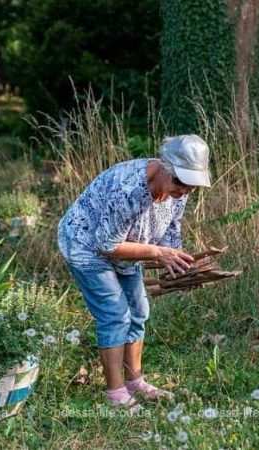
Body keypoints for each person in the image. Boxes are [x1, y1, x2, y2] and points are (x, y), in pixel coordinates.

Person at [58, 135, 212, 408]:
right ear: (165, 167)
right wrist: (157, 253)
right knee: (115, 313)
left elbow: (171, 231)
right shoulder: (128, 188)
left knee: (139, 311)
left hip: (127, 248)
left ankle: (135, 381)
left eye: (192, 185)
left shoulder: (178, 192)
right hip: (86, 245)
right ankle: (115, 393)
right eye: (180, 182)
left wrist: (177, 261)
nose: (185, 190)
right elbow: (106, 245)